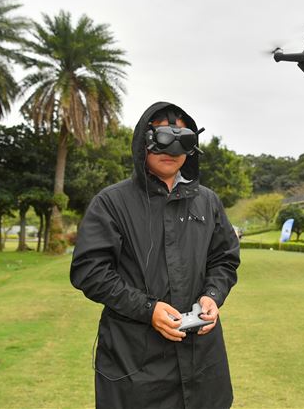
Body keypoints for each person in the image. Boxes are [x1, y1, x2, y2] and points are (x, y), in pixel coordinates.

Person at [70, 101, 241, 409]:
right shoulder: (111, 203)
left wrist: (213, 296)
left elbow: (224, 259)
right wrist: (147, 309)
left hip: (202, 361)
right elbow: (90, 271)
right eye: (162, 136)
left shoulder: (207, 202)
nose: (171, 148)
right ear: (143, 142)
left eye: (182, 138)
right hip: (135, 362)